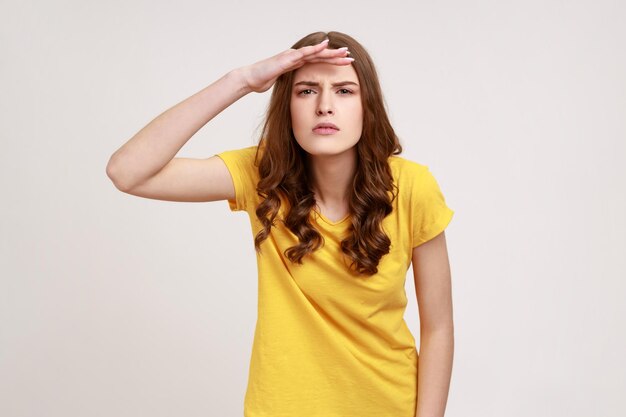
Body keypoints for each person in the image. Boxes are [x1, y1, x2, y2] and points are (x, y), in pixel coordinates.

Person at [106, 30, 455, 417]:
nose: (324, 106)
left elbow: (438, 327)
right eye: (306, 91)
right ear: (286, 105)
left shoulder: (412, 188)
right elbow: (127, 172)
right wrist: (240, 81)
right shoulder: (263, 176)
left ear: (367, 106)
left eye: (344, 91)